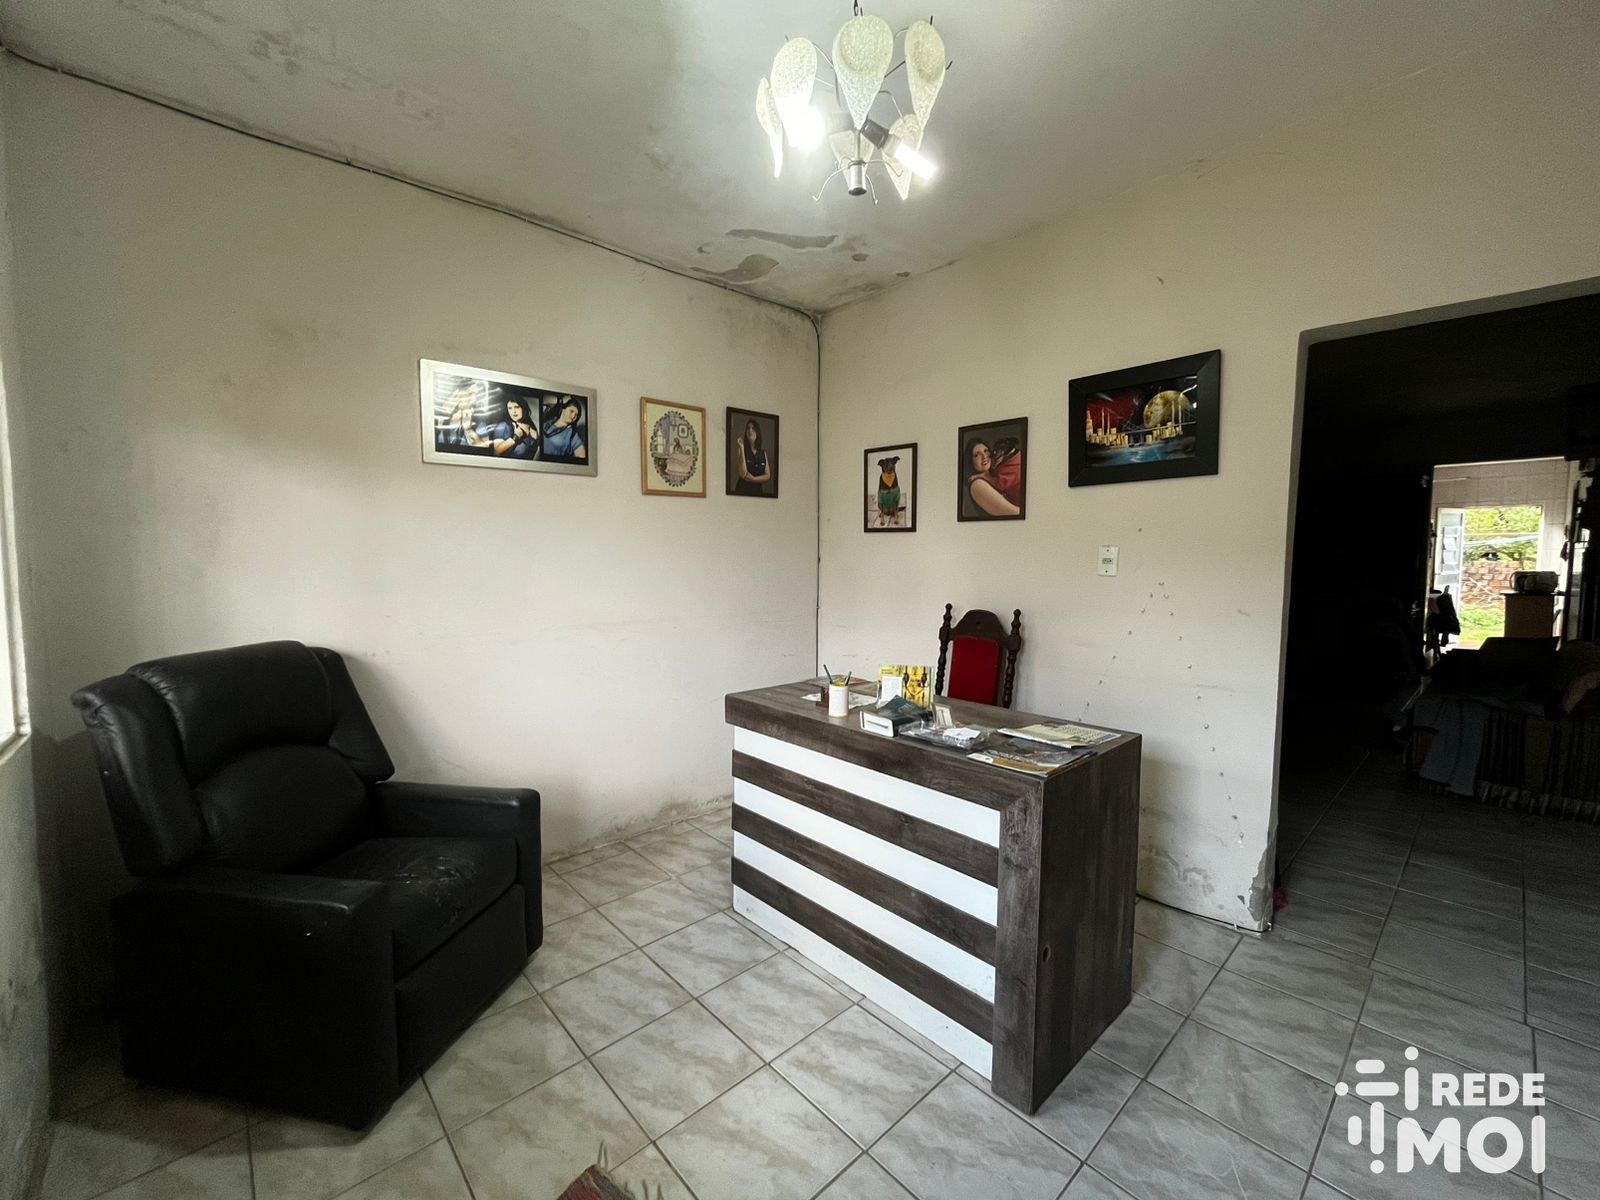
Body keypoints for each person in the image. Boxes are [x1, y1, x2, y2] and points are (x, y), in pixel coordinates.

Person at [964, 437, 1020, 517]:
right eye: (976, 455)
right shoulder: (978, 483)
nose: (984, 457)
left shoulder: (997, 473)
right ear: (970, 461)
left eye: (985, 451)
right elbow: (1016, 513)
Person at [733, 418, 771, 496]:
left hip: (758, 492)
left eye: (753, 428)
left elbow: (767, 476)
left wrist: (753, 479)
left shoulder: (762, 453)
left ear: (757, 432)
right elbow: (743, 474)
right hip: (742, 491)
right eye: (748, 428)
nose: (750, 431)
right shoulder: (741, 449)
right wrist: (742, 448)